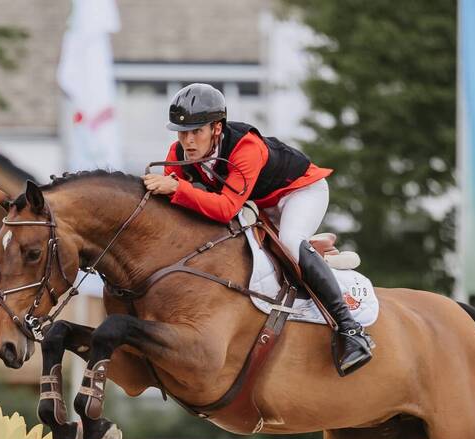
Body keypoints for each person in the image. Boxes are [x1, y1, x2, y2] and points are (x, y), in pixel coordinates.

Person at [141, 83, 374, 377]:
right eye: (181, 132)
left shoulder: (245, 147)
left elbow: (225, 207)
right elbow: (179, 209)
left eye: (196, 131)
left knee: (290, 241)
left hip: (299, 192)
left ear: (216, 127)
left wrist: (178, 187)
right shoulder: (177, 152)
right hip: (258, 204)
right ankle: (315, 261)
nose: (187, 141)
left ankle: (351, 331)